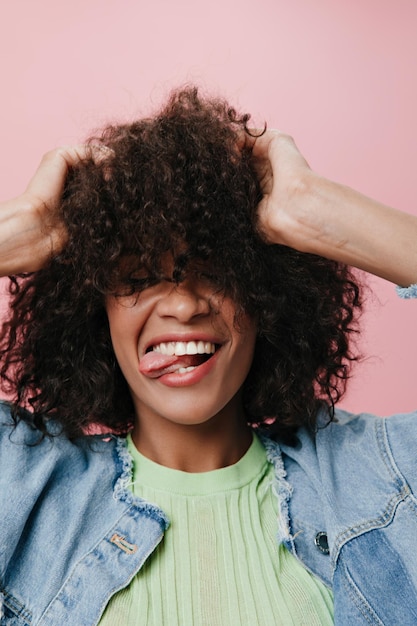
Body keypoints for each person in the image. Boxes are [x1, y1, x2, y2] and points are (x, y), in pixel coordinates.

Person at [0, 87, 416, 626]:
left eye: (218, 272)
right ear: (91, 310)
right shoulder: (28, 489)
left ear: (267, 296)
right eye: (138, 277)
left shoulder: (383, 476)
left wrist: (314, 210)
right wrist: (24, 225)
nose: (183, 304)